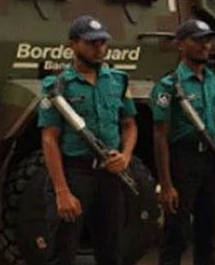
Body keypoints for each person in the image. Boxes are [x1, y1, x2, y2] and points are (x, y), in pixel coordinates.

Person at [38, 15, 138, 265]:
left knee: (111, 251)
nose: (99, 48)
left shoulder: (118, 80)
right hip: (74, 174)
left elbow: (129, 124)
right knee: (63, 251)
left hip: (110, 176)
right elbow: (49, 139)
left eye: (103, 42)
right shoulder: (58, 86)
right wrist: (62, 191)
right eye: (91, 42)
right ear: (72, 44)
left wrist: (125, 156)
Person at [152, 19, 215, 265]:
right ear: (181, 44)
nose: (205, 46)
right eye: (198, 40)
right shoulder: (169, 85)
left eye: (207, 40)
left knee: (208, 236)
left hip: (213, 163)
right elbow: (160, 135)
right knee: (177, 236)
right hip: (184, 162)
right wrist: (166, 184)